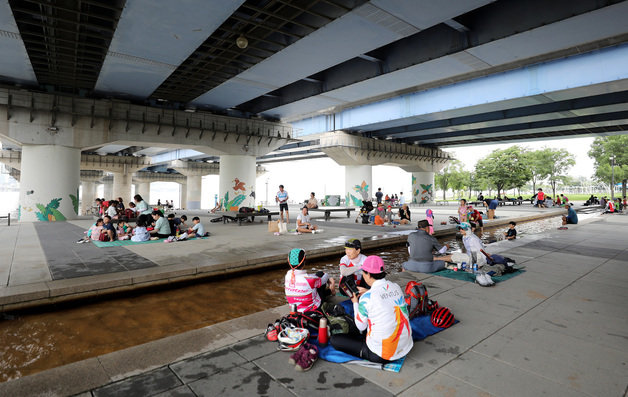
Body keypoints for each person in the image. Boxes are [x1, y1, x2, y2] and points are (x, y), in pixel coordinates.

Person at [330, 255, 413, 364]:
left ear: (368, 274)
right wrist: (367, 291)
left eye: (363, 273)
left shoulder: (367, 297)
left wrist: (355, 302)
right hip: (406, 346)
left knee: (335, 340)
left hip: (381, 354)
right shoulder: (395, 287)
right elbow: (383, 297)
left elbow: (361, 326)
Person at [284, 248, 335, 312]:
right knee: (321, 277)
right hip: (313, 308)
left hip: (295, 308)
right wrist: (329, 277)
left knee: (317, 278)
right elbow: (324, 279)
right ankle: (331, 290)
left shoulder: (287, 276)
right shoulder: (310, 279)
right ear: (304, 262)